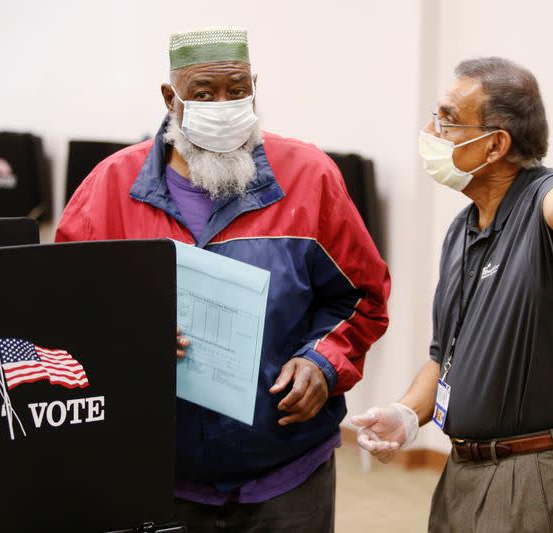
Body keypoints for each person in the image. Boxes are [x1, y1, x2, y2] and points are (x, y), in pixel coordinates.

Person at [56, 27, 390, 532]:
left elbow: (361, 297)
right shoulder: (109, 190)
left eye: (237, 90)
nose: (224, 104)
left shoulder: (310, 177)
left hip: (286, 473)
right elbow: (61, 309)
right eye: (204, 94)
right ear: (171, 98)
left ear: (255, 86)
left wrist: (323, 362)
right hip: (157, 476)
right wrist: (123, 342)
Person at [353, 57, 553, 533]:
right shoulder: (462, 230)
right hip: (466, 468)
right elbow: (445, 354)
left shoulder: (541, 202)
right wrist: (407, 412)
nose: (431, 129)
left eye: (448, 118)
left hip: (537, 472)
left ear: (495, 145)